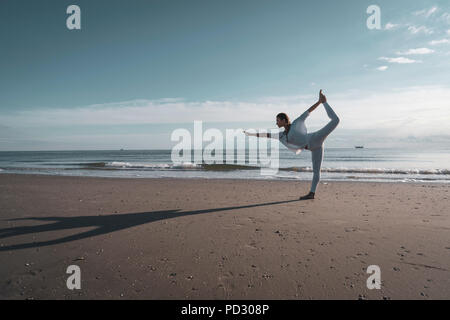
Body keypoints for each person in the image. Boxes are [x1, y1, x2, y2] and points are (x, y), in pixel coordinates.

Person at [244, 90, 340, 200]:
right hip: (314, 148)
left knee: (336, 120)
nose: (276, 123)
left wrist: (320, 102)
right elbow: (267, 135)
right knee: (316, 171)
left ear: (284, 120)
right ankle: (311, 194)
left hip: (315, 138)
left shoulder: (296, 123)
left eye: (278, 120)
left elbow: (309, 111)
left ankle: (325, 102)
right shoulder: (282, 135)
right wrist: (251, 134)